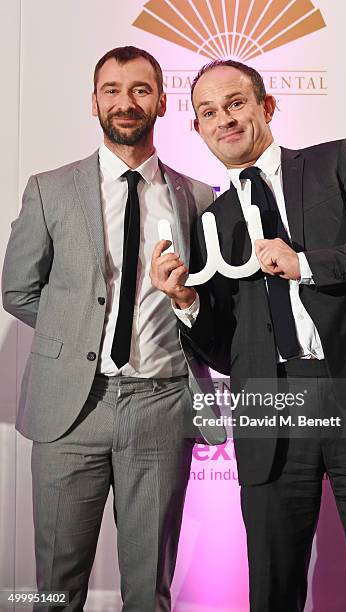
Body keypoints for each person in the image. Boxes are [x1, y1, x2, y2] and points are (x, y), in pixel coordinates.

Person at [150, 60, 346, 611]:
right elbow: (227, 348)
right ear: (199, 129)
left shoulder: (335, 161)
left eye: (235, 103)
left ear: (265, 107)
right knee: (272, 588)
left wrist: (305, 264)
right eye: (208, 112)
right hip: (271, 404)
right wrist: (185, 301)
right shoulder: (215, 215)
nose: (224, 119)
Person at [2, 46, 223, 612]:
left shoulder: (199, 197)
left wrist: (187, 303)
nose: (127, 102)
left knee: (149, 589)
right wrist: (77, 337)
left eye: (141, 90)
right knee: (54, 586)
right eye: (113, 90)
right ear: (94, 102)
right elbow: (18, 290)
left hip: (162, 404)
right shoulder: (49, 189)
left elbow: (214, 305)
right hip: (71, 408)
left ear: (162, 102)